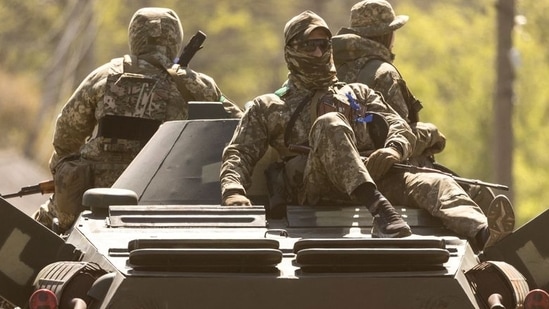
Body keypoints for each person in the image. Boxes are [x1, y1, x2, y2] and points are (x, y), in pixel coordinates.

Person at [35, 7, 243, 233]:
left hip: (95, 197)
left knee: (37, 231)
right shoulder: (198, 85)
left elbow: (66, 135)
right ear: (175, 40)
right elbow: (241, 128)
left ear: (135, 37)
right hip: (168, 197)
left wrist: (65, 173)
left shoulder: (103, 76)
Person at [332, 0, 515, 250]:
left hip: (345, 171)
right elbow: (397, 136)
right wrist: (430, 134)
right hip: (382, 171)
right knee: (450, 188)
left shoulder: (333, 71)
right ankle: (486, 240)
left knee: (472, 190)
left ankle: (488, 238)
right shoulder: (382, 73)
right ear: (386, 35)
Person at [220, 10, 416, 238]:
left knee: (439, 187)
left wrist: (393, 149)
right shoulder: (269, 106)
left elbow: (400, 126)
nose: (319, 52)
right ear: (292, 50)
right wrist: (233, 191)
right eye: (309, 45)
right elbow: (239, 152)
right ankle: (381, 211)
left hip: (369, 177)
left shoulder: (356, 93)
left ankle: (469, 246)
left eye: (324, 45)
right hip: (311, 188)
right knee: (329, 123)